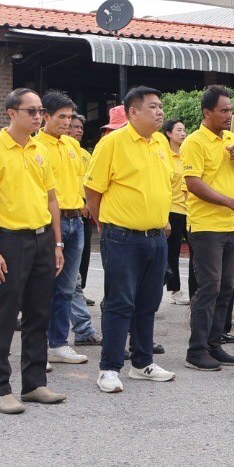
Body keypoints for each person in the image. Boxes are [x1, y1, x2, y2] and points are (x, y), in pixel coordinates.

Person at [0, 88, 67, 414]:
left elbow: (51, 198)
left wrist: (57, 243)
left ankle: (34, 383)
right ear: (12, 113)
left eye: (40, 111)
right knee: (5, 314)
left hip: (42, 239)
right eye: (32, 111)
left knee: (39, 313)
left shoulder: (40, 148)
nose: (38, 117)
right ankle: (1, 389)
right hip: (10, 241)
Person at [82, 86, 177, 392]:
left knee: (148, 302)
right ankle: (109, 368)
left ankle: (142, 362)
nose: (160, 112)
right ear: (133, 112)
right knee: (120, 303)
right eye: (152, 107)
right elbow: (92, 191)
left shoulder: (160, 142)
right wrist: (106, 226)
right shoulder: (112, 143)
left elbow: (162, 185)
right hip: (122, 236)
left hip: (156, 236)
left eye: (160, 106)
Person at [181, 85, 234, 372]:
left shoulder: (231, 139)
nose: (228, 115)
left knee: (226, 287)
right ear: (207, 112)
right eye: (223, 110)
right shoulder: (194, 142)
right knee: (209, 287)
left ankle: (213, 343)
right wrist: (229, 202)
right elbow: (193, 183)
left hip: (230, 224)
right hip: (206, 226)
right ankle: (196, 350)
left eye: (230, 110)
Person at [36, 92, 100, 365]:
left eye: (69, 117)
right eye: (61, 116)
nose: (66, 122)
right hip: (52, 221)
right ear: (45, 116)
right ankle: (37, 346)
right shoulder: (36, 146)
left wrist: (85, 204)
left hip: (76, 221)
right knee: (44, 286)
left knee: (66, 287)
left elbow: (83, 180)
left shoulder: (72, 145)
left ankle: (58, 344)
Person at [161, 118, 189, 304]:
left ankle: (195, 290)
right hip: (173, 210)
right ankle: (175, 290)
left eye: (184, 130)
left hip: (190, 210)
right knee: (173, 252)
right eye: (178, 130)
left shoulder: (187, 155)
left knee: (196, 251)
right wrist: (165, 219)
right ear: (169, 133)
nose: (183, 133)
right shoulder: (165, 157)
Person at [70, 115, 94, 301]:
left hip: (85, 210)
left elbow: (90, 182)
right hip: (70, 207)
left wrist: (88, 203)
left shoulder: (86, 154)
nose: (79, 130)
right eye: (75, 127)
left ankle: (79, 290)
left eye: (81, 127)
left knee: (84, 252)